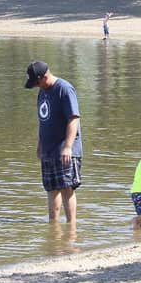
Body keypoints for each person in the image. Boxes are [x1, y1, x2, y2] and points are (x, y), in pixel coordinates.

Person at [25, 60, 83, 223]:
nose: (36, 86)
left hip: (65, 149)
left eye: (36, 83)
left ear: (44, 77)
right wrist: (40, 144)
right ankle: (54, 226)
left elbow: (74, 118)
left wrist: (68, 147)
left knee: (67, 187)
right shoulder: (42, 92)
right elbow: (44, 120)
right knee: (51, 188)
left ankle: (71, 226)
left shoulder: (64, 89)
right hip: (48, 150)